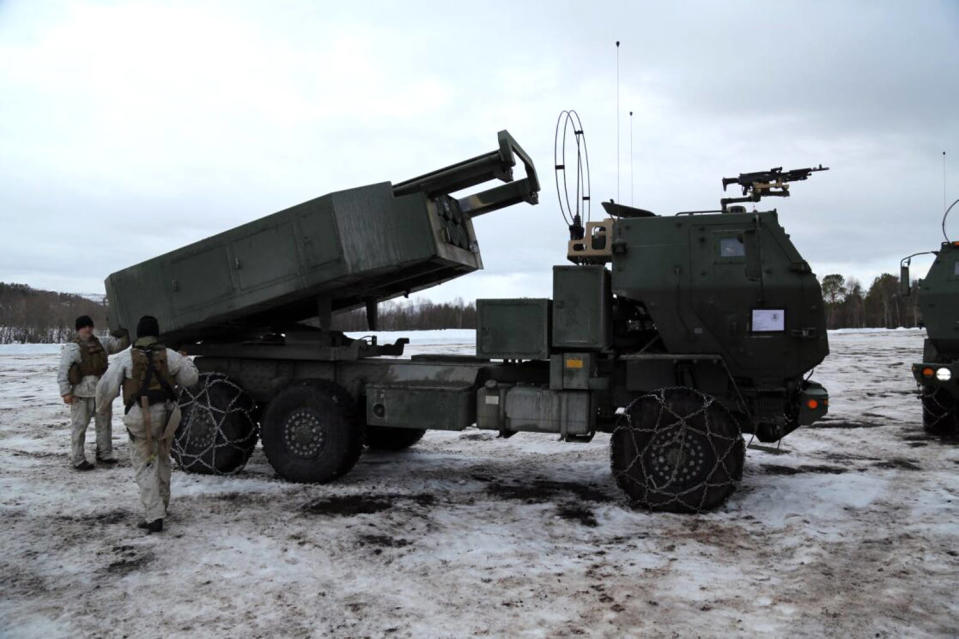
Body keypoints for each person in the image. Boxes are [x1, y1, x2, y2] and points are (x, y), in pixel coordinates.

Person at [96, 315, 198, 533]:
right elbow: (191, 379)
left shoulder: (124, 358)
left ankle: (154, 516)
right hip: (167, 417)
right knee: (162, 459)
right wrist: (184, 359)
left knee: (144, 465)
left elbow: (106, 389)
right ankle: (163, 505)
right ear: (157, 333)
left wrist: (101, 408)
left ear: (138, 333)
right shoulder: (169, 356)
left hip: (139, 417)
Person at [57, 315, 129, 470]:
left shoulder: (102, 343)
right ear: (78, 329)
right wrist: (65, 393)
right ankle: (78, 459)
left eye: (89, 326)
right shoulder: (72, 348)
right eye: (84, 326)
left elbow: (119, 345)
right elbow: (62, 372)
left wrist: (125, 330)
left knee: (104, 425)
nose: (88, 329)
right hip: (81, 394)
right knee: (79, 427)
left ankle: (105, 454)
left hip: (101, 392)